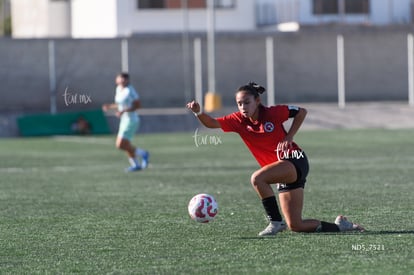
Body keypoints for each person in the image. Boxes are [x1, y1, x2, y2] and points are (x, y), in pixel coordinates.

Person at [186, 82, 364, 236]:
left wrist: (289, 137)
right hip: (280, 170)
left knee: (257, 178)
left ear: (257, 101)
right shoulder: (238, 120)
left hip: (294, 160)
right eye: (239, 104)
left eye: (247, 102)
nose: (243, 107)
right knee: (296, 225)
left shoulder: (273, 113)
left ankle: (275, 222)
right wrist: (198, 112)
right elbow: (211, 123)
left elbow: (302, 112)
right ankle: (341, 226)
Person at [102, 73, 149, 172]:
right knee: (125, 144)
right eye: (120, 79)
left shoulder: (130, 91)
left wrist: (123, 111)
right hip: (124, 120)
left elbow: (138, 106)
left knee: (120, 144)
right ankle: (136, 164)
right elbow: (120, 104)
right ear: (117, 80)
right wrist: (109, 106)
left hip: (131, 120)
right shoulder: (118, 89)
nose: (122, 81)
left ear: (127, 80)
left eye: (124, 79)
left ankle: (143, 153)